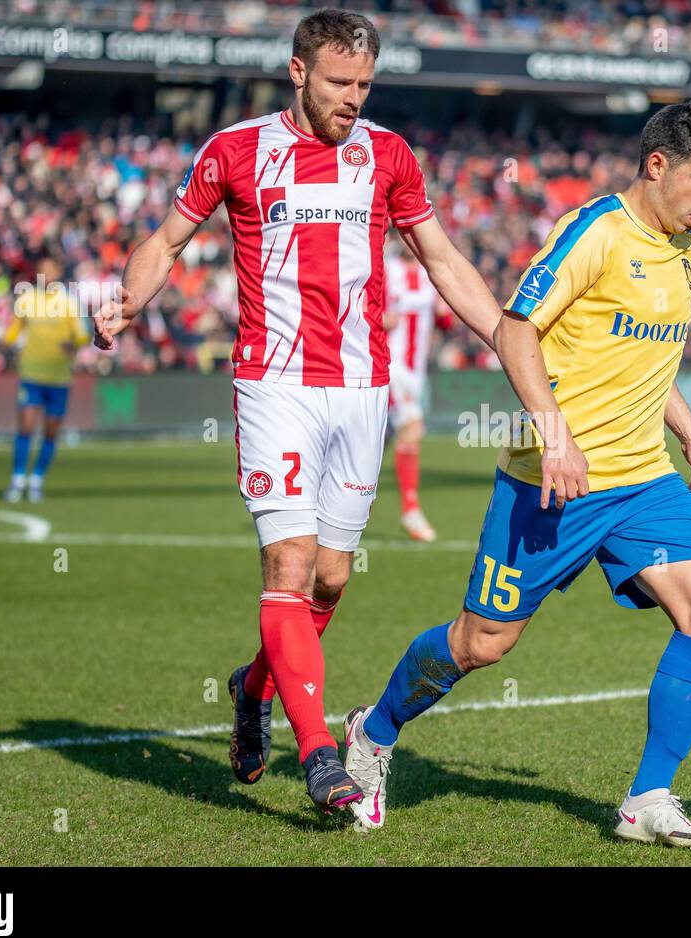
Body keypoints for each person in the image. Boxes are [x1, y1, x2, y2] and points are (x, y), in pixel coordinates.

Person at [92, 8, 500, 813]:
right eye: (341, 82)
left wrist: (505, 337)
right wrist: (128, 300)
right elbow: (167, 240)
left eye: (365, 84)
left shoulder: (389, 156)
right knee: (288, 566)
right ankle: (319, 753)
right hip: (273, 384)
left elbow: (444, 258)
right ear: (299, 72)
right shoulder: (236, 150)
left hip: (362, 390)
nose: (354, 97)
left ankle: (253, 688)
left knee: (331, 577)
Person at [341, 101, 691, 847]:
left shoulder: (686, 249)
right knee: (483, 644)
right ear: (657, 166)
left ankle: (646, 799)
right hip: (552, 482)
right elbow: (516, 327)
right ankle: (375, 730)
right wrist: (556, 438)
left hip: (643, 482)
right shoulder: (594, 231)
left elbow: (650, 358)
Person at [2, 256, 87, 503]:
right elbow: (13, 332)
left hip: (59, 376)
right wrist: (5, 344)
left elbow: (82, 335)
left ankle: (37, 478)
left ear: (58, 272)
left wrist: (72, 344)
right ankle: (18, 479)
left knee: (51, 432)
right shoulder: (27, 300)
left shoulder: (69, 302)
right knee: (26, 427)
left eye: (51, 270)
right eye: (43, 270)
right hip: (31, 374)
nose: (47, 275)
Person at [383, 242, 445, 541]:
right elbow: (364, 309)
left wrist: (445, 312)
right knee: (412, 428)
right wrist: (379, 319)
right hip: (390, 363)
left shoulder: (429, 273)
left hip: (416, 369)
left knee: (377, 439)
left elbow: (443, 320)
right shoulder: (386, 270)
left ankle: (337, 499)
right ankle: (411, 508)